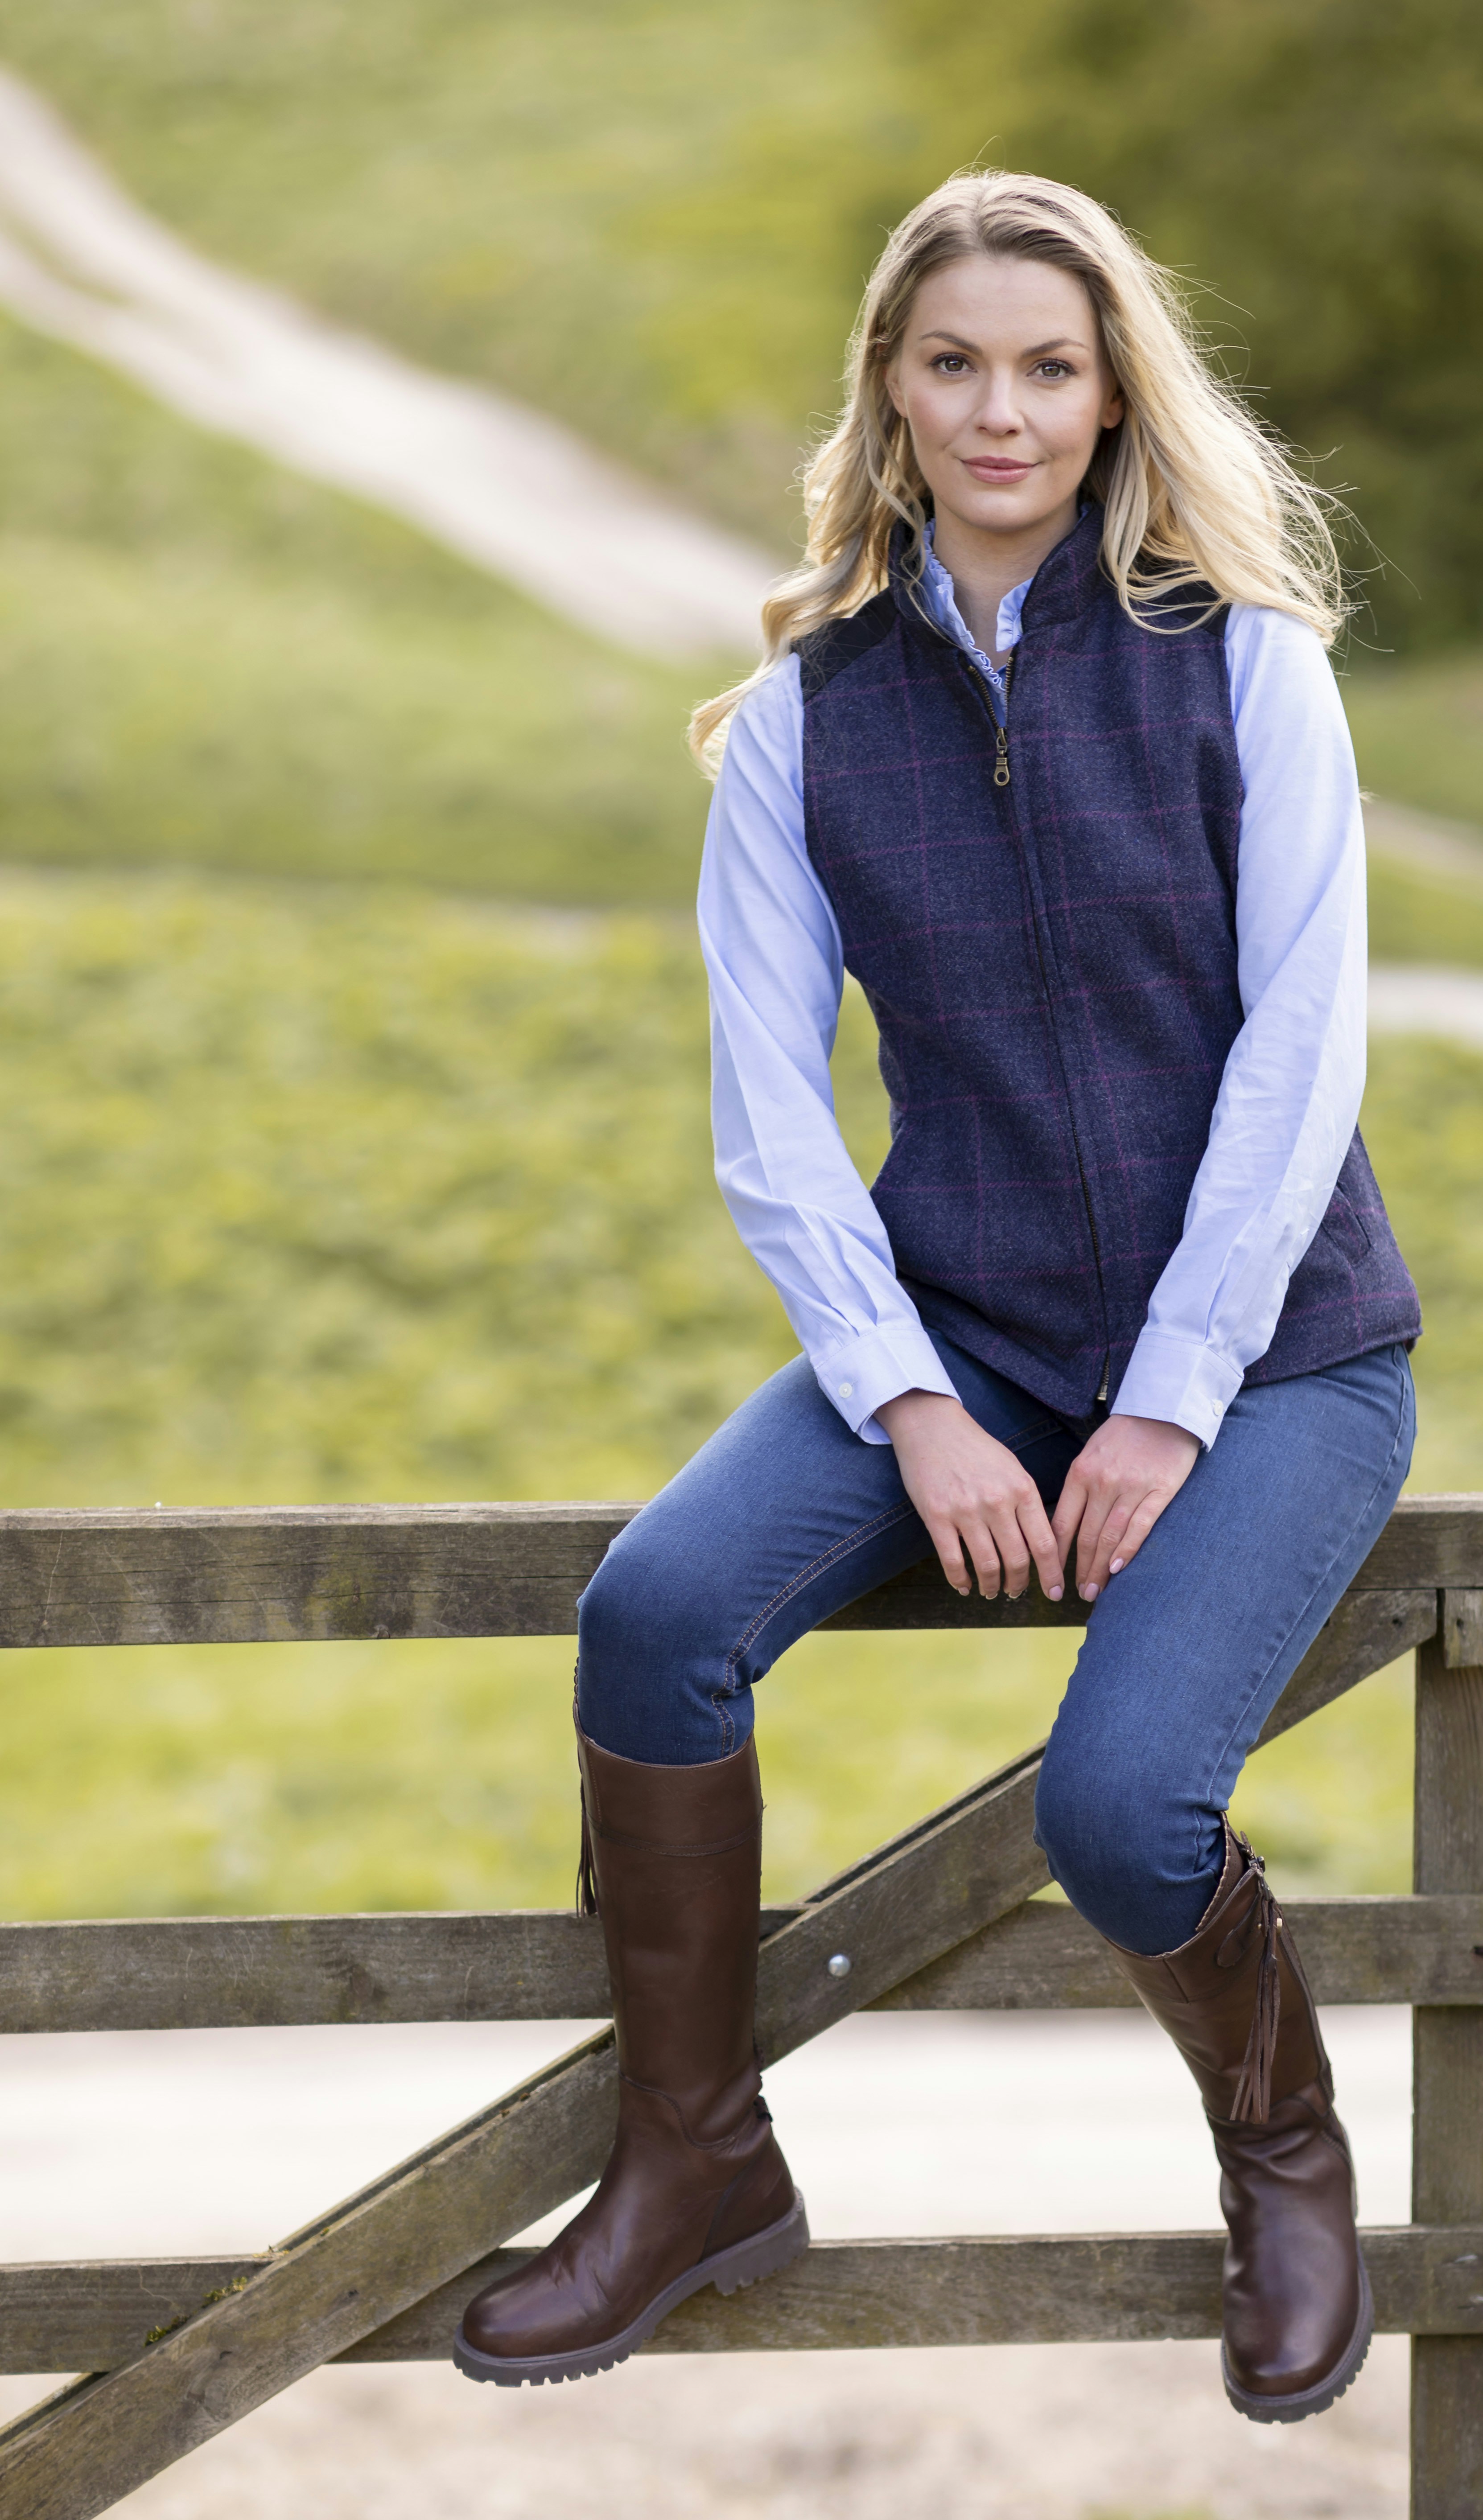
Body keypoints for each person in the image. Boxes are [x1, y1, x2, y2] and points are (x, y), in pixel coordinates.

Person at [454, 169, 1420, 2421]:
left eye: (1050, 368)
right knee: (651, 1610)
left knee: (1115, 1810)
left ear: (1110, 402)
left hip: (1277, 1355)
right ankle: (694, 2159)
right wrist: (912, 1403)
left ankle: (1283, 2154)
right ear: (890, 389)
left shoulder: (1247, 670)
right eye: (956, 362)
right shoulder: (806, 720)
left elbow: (1302, 1062)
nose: (1003, 409)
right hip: (959, 1342)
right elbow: (768, 1117)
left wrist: (1173, 1399)